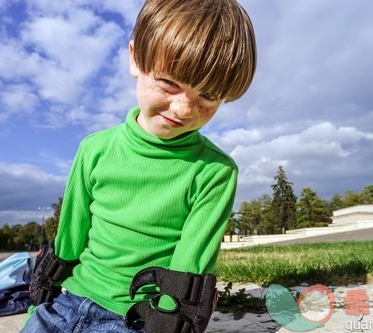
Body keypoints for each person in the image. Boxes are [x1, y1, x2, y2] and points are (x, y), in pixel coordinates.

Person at [21, 0, 256, 332]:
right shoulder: (95, 149)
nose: (184, 108)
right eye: (169, 83)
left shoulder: (214, 171)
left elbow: (188, 270)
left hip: (135, 318)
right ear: (135, 58)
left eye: (208, 95)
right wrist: (41, 300)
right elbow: (69, 240)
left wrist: (167, 321)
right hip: (68, 301)